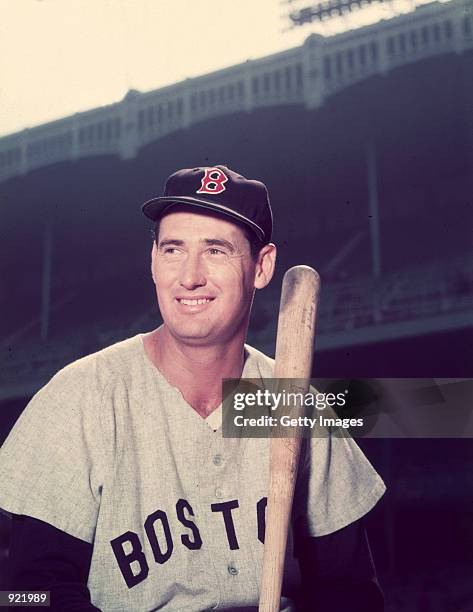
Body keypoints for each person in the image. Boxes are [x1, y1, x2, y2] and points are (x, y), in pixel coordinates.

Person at [0, 165, 386, 611]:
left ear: (262, 267)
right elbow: (26, 596)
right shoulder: (80, 397)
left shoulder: (295, 405)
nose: (189, 277)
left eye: (216, 251)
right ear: (152, 260)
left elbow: (351, 592)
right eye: (173, 249)